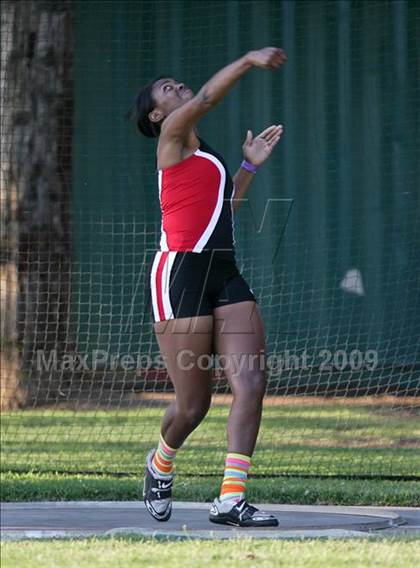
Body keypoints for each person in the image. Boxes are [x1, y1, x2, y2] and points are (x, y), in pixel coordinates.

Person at [125, 47, 287, 527]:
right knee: (194, 404)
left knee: (251, 382)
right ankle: (160, 463)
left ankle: (231, 500)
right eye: (167, 90)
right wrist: (248, 59)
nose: (179, 88)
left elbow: (225, 207)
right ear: (158, 115)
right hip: (179, 274)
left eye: (178, 82)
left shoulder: (208, 154)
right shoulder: (172, 137)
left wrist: (249, 167)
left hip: (224, 271)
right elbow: (212, 95)